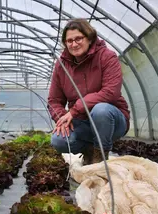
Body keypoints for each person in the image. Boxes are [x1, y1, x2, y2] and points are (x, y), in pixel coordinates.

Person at [48, 18, 130, 165]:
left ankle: (100, 154)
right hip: (83, 122)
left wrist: (74, 110)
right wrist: (61, 118)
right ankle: (89, 149)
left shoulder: (106, 56)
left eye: (78, 38)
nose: (74, 44)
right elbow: (54, 100)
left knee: (101, 110)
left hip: (111, 121)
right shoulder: (62, 66)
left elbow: (111, 92)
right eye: (69, 41)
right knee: (58, 140)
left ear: (90, 38)